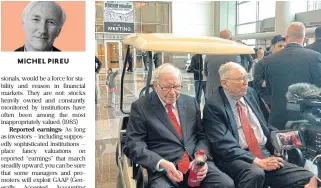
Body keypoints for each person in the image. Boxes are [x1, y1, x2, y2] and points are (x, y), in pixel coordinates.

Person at [203, 62, 317, 188]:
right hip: (237, 157)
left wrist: (283, 138)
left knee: (308, 177)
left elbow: (263, 125)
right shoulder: (214, 106)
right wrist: (258, 162)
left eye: (246, 77)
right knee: (256, 174)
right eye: (240, 79)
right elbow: (224, 146)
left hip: (263, 152)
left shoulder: (250, 94)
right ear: (225, 83)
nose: (245, 82)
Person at [124, 63, 234, 188]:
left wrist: (201, 157)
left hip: (195, 164)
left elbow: (202, 135)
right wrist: (161, 163)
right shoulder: (141, 107)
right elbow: (133, 145)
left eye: (176, 86)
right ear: (155, 85)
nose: (172, 92)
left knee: (226, 184)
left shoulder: (190, 102)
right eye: (166, 87)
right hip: (164, 169)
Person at [264, 22, 321, 130]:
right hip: (305, 120)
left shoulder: (269, 60)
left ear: (286, 38)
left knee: (277, 146)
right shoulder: (315, 57)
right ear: (304, 38)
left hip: (277, 117)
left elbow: (268, 89)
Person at [253, 35, 286, 108]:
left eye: (285, 46)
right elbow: (257, 82)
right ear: (273, 46)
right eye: (280, 46)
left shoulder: (287, 63)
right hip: (268, 102)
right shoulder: (262, 63)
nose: (283, 48)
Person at [205, 29, 238, 99]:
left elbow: (206, 73)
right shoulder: (235, 54)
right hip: (228, 93)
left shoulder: (209, 53)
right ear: (231, 39)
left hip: (211, 93)